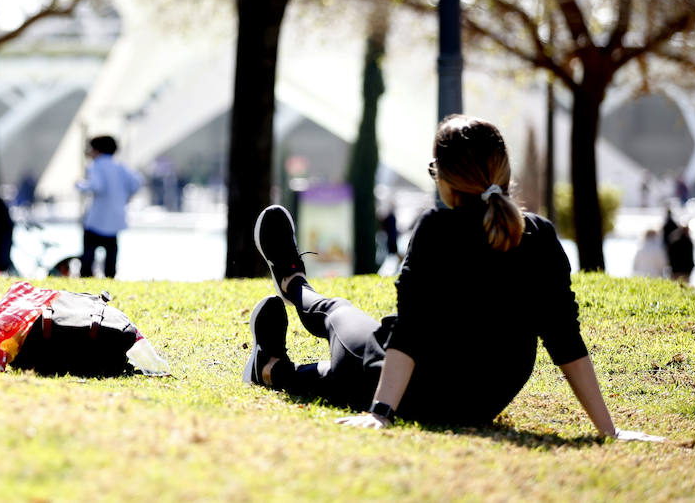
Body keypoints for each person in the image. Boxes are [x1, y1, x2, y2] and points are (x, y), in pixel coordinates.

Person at [243, 114, 662, 441]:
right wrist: (609, 430)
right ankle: (275, 356)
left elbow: (408, 334)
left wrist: (381, 413)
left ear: (445, 179)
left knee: (340, 313)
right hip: (480, 403)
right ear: (502, 171)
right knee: (335, 371)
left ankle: (292, 291)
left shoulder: (436, 229)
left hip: (409, 389)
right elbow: (565, 339)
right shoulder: (541, 235)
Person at [75, 135, 143, 278]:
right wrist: (126, 197)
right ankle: (110, 277)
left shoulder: (96, 165)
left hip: (98, 218)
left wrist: (80, 185)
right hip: (115, 217)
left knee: (89, 252)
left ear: (97, 150)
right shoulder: (120, 166)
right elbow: (136, 182)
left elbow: (97, 185)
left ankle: (86, 276)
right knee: (111, 251)